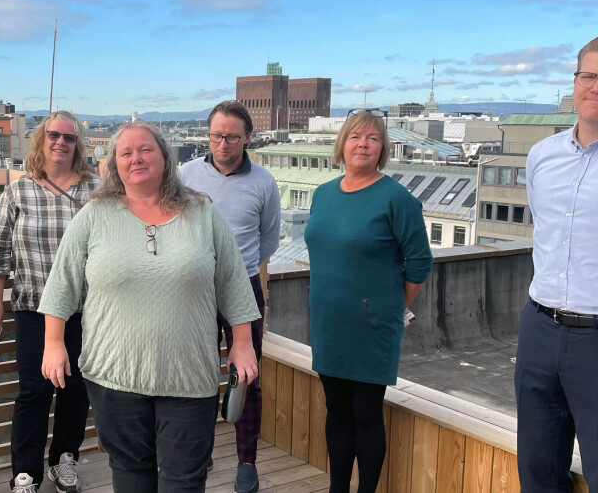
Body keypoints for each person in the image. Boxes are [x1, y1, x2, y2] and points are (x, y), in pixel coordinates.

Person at [39, 121, 261, 493]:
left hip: (188, 376)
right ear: (114, 164)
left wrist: (242, 343)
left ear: (164, 156)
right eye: (125, 153)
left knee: (185, 480)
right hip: (114, 375)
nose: (136, 158)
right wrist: (53, 342)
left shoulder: (202, 213)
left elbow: (234, 282)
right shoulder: (94, 215)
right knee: (129, 473)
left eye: (145, 149)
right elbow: (62, 283)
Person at [303, 110, 432, 493]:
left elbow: (420, 261)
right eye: (356, 136)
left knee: (366, 413)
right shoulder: (323, 193)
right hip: (328, 321)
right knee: (336, 410)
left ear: (383, 148)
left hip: (372, 326)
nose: (363, 144)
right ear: (342, 144)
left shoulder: (396, 198)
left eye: (373, 138)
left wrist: (389, 305)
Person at [0, 111, 99, 493]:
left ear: (77, 144)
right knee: (34, 391)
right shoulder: (19, 190)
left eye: (69, 137)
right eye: (54, 135)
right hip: (33, 307)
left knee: (76, 388)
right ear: (40, 140)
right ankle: (24, 473)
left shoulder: (96, 190)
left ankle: (65, 459)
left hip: (86, 311)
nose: (61, 142)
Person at [180, 100, 280, 493]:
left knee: (246, 377)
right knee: (198, 376)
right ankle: (198, 453)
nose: (223, 143)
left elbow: (268, 238)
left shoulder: (263, 181)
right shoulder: (185, 175)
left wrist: (242, 270)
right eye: (216, 135)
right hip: (195, 290)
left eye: (232, 136)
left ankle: (246, 463)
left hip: (245, 290)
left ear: (248, 138)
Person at [515, 37, 598, 491]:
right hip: (540, 329)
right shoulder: (541, 157)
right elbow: (543, 229)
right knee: (538, 470)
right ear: (574, 83)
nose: (595, 87)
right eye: (589, 75)